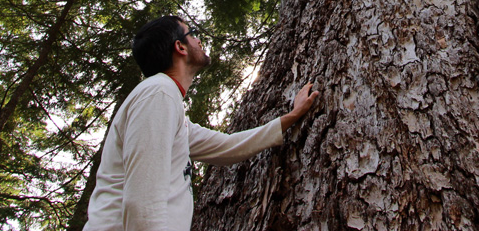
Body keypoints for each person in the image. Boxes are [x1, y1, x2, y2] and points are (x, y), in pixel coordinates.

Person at [83, 15, 320, 231]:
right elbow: (142, 203)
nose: (199, 40)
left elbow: (228, 146)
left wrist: (291, 117)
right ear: (180, 47)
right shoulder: (159, 93)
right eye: (192, 33)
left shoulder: (167, 102)